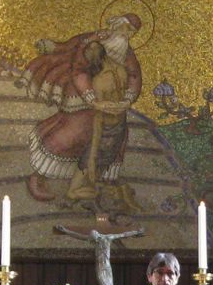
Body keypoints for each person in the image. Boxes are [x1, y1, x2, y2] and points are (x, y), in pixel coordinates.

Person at [20, 13, 143, 205]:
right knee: (69, 135)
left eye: (131, 32)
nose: (126, 35)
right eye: (125, 28)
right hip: (82, 99)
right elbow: (78, 69)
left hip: (112, 106)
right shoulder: (92, 41)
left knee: (110, 143)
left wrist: (127, 99)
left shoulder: (126, 52)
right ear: (116, 25)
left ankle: (91, 182)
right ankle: (39, 176)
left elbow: (134, 75)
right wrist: (91, 98)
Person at [53, 223, 145, 285]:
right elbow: (79, 236)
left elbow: (123, 234)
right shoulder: (94, 240)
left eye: (94, 239)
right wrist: (66, 231)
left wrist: (136, 232)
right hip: (100, 267)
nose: (93, 241)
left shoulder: (108, 238)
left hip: (107, 267)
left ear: (97, 235)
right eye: (93, 240)